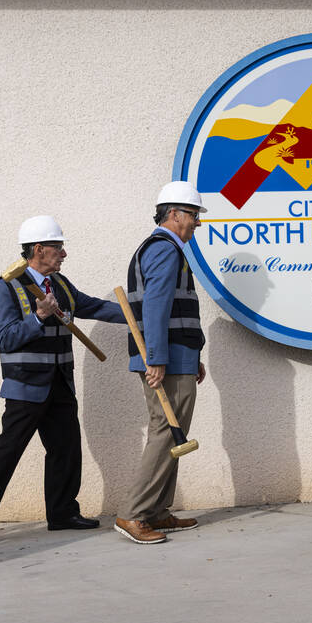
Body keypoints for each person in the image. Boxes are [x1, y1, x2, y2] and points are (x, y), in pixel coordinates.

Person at [0, 216, 125, 550]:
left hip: (60, 383)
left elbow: (94, 307)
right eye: (57, 247)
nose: (63, 253)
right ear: (39, 249)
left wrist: (140, 313)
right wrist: (39, 316)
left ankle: (62, 513)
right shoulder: (5, 287)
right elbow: (6, 338)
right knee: (8, 452)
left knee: (66, 449)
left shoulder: (60, 285)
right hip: (26, 387)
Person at [114, 181, 207, 545]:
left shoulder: (166, 249)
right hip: (165, 360)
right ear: (174, 214)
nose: (197, 223)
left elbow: (175, 309)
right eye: (194, 215)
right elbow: (156, 307)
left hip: (178, 357)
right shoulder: (165, 249)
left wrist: (193, 357)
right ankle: (134, 514)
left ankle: (156, 511)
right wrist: (157, 359)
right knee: (166, 432)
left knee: (174, 433)